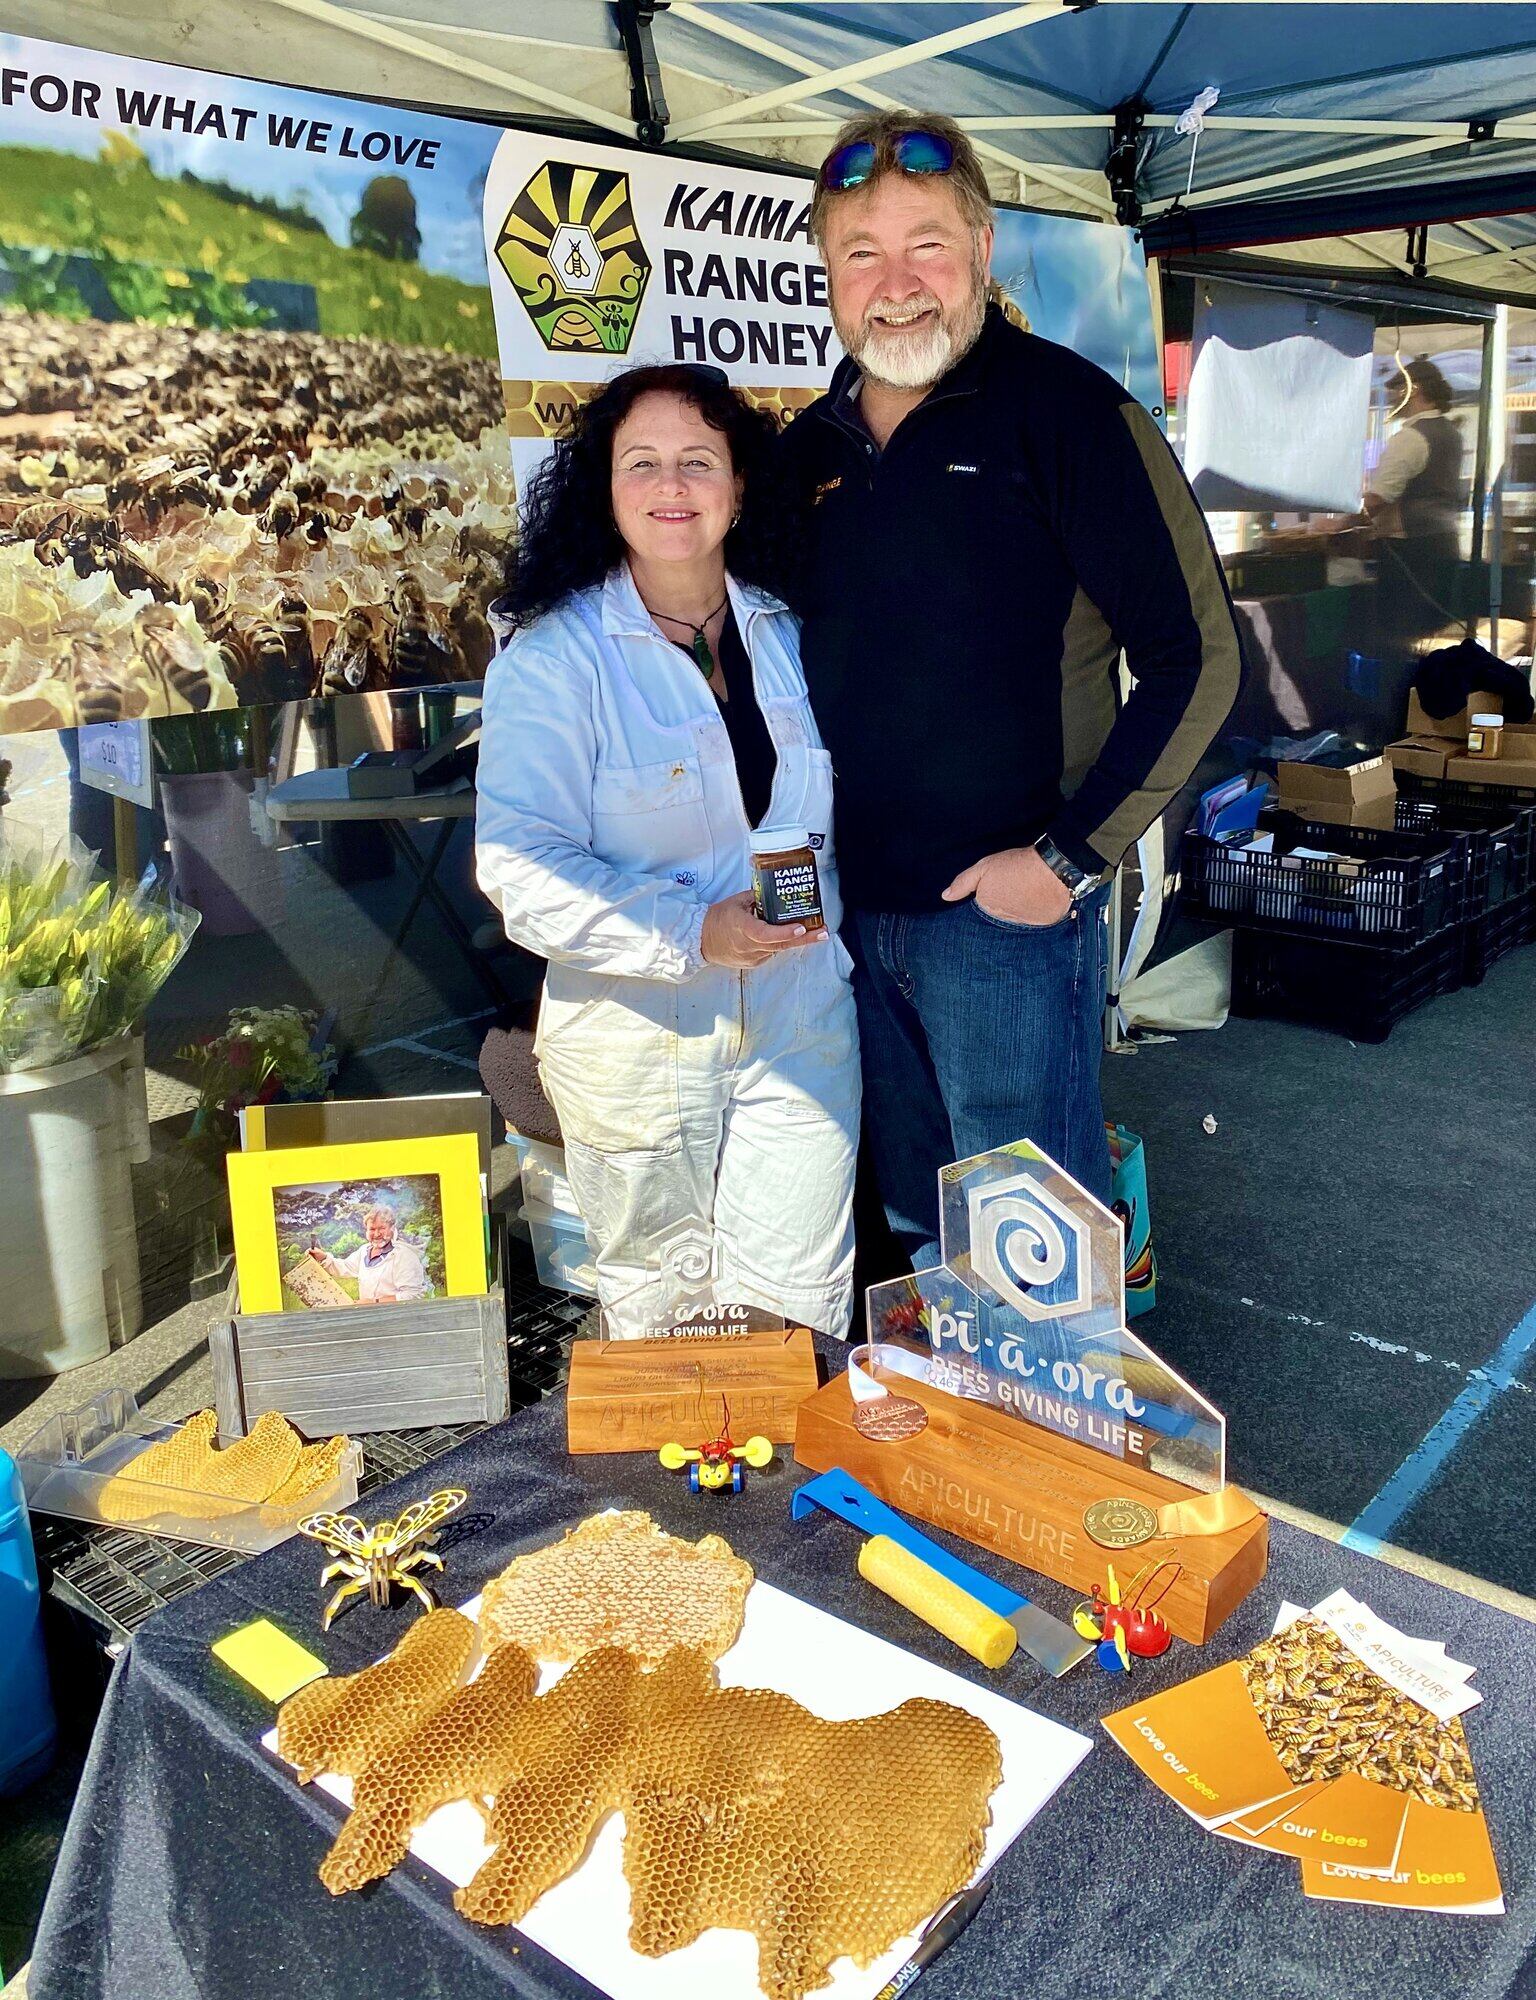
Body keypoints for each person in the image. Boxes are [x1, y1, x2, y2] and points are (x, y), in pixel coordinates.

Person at [782, 110, 1242, 1272]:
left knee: (1030, 1242)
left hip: (1005, 918)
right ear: (826, 273)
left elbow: (1199, 657)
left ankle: (1057, 1443)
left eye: (926, 245)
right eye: (861, 254)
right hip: (843, 919)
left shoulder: (1072, 415)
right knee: (914, 1233)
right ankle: (949, 1447)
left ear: (983, 248)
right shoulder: (804, 454)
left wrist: (1069, 861)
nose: (897, 286)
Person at [475, 364, 859, 1335]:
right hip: (640, 1047)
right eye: (641, 463)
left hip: (798, 1018)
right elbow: (519, 866)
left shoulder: (792, 630)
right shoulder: (556, 657)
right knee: (669, 1320)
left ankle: (794, 1490)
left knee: (794, 1313)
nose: (671, 486)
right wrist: (694, 930)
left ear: (739, 485)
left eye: (698, 460)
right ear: (606, 491)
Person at [1363, 356, 1464, 645]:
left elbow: (1380, 496)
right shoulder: (1451, 433)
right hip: (1444, 543)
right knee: (1434, 638)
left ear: (1414, 390)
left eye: (1397, 390)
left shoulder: (1410, 437)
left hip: (1409, 551)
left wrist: (1342, 520)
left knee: (1402, 639)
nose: (1393, 397)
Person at [313, 1202, 427, 1304]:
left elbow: (413, 1295)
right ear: (366, 1230)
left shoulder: (404, 1255)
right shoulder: (364, 1250)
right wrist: (323, 1257)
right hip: (368, 1317)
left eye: (382, 1228)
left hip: (395, 1319)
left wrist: (374, 1302)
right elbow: (345, 1267)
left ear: (392, 1228)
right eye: (372, 1229)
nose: (376, 1234)